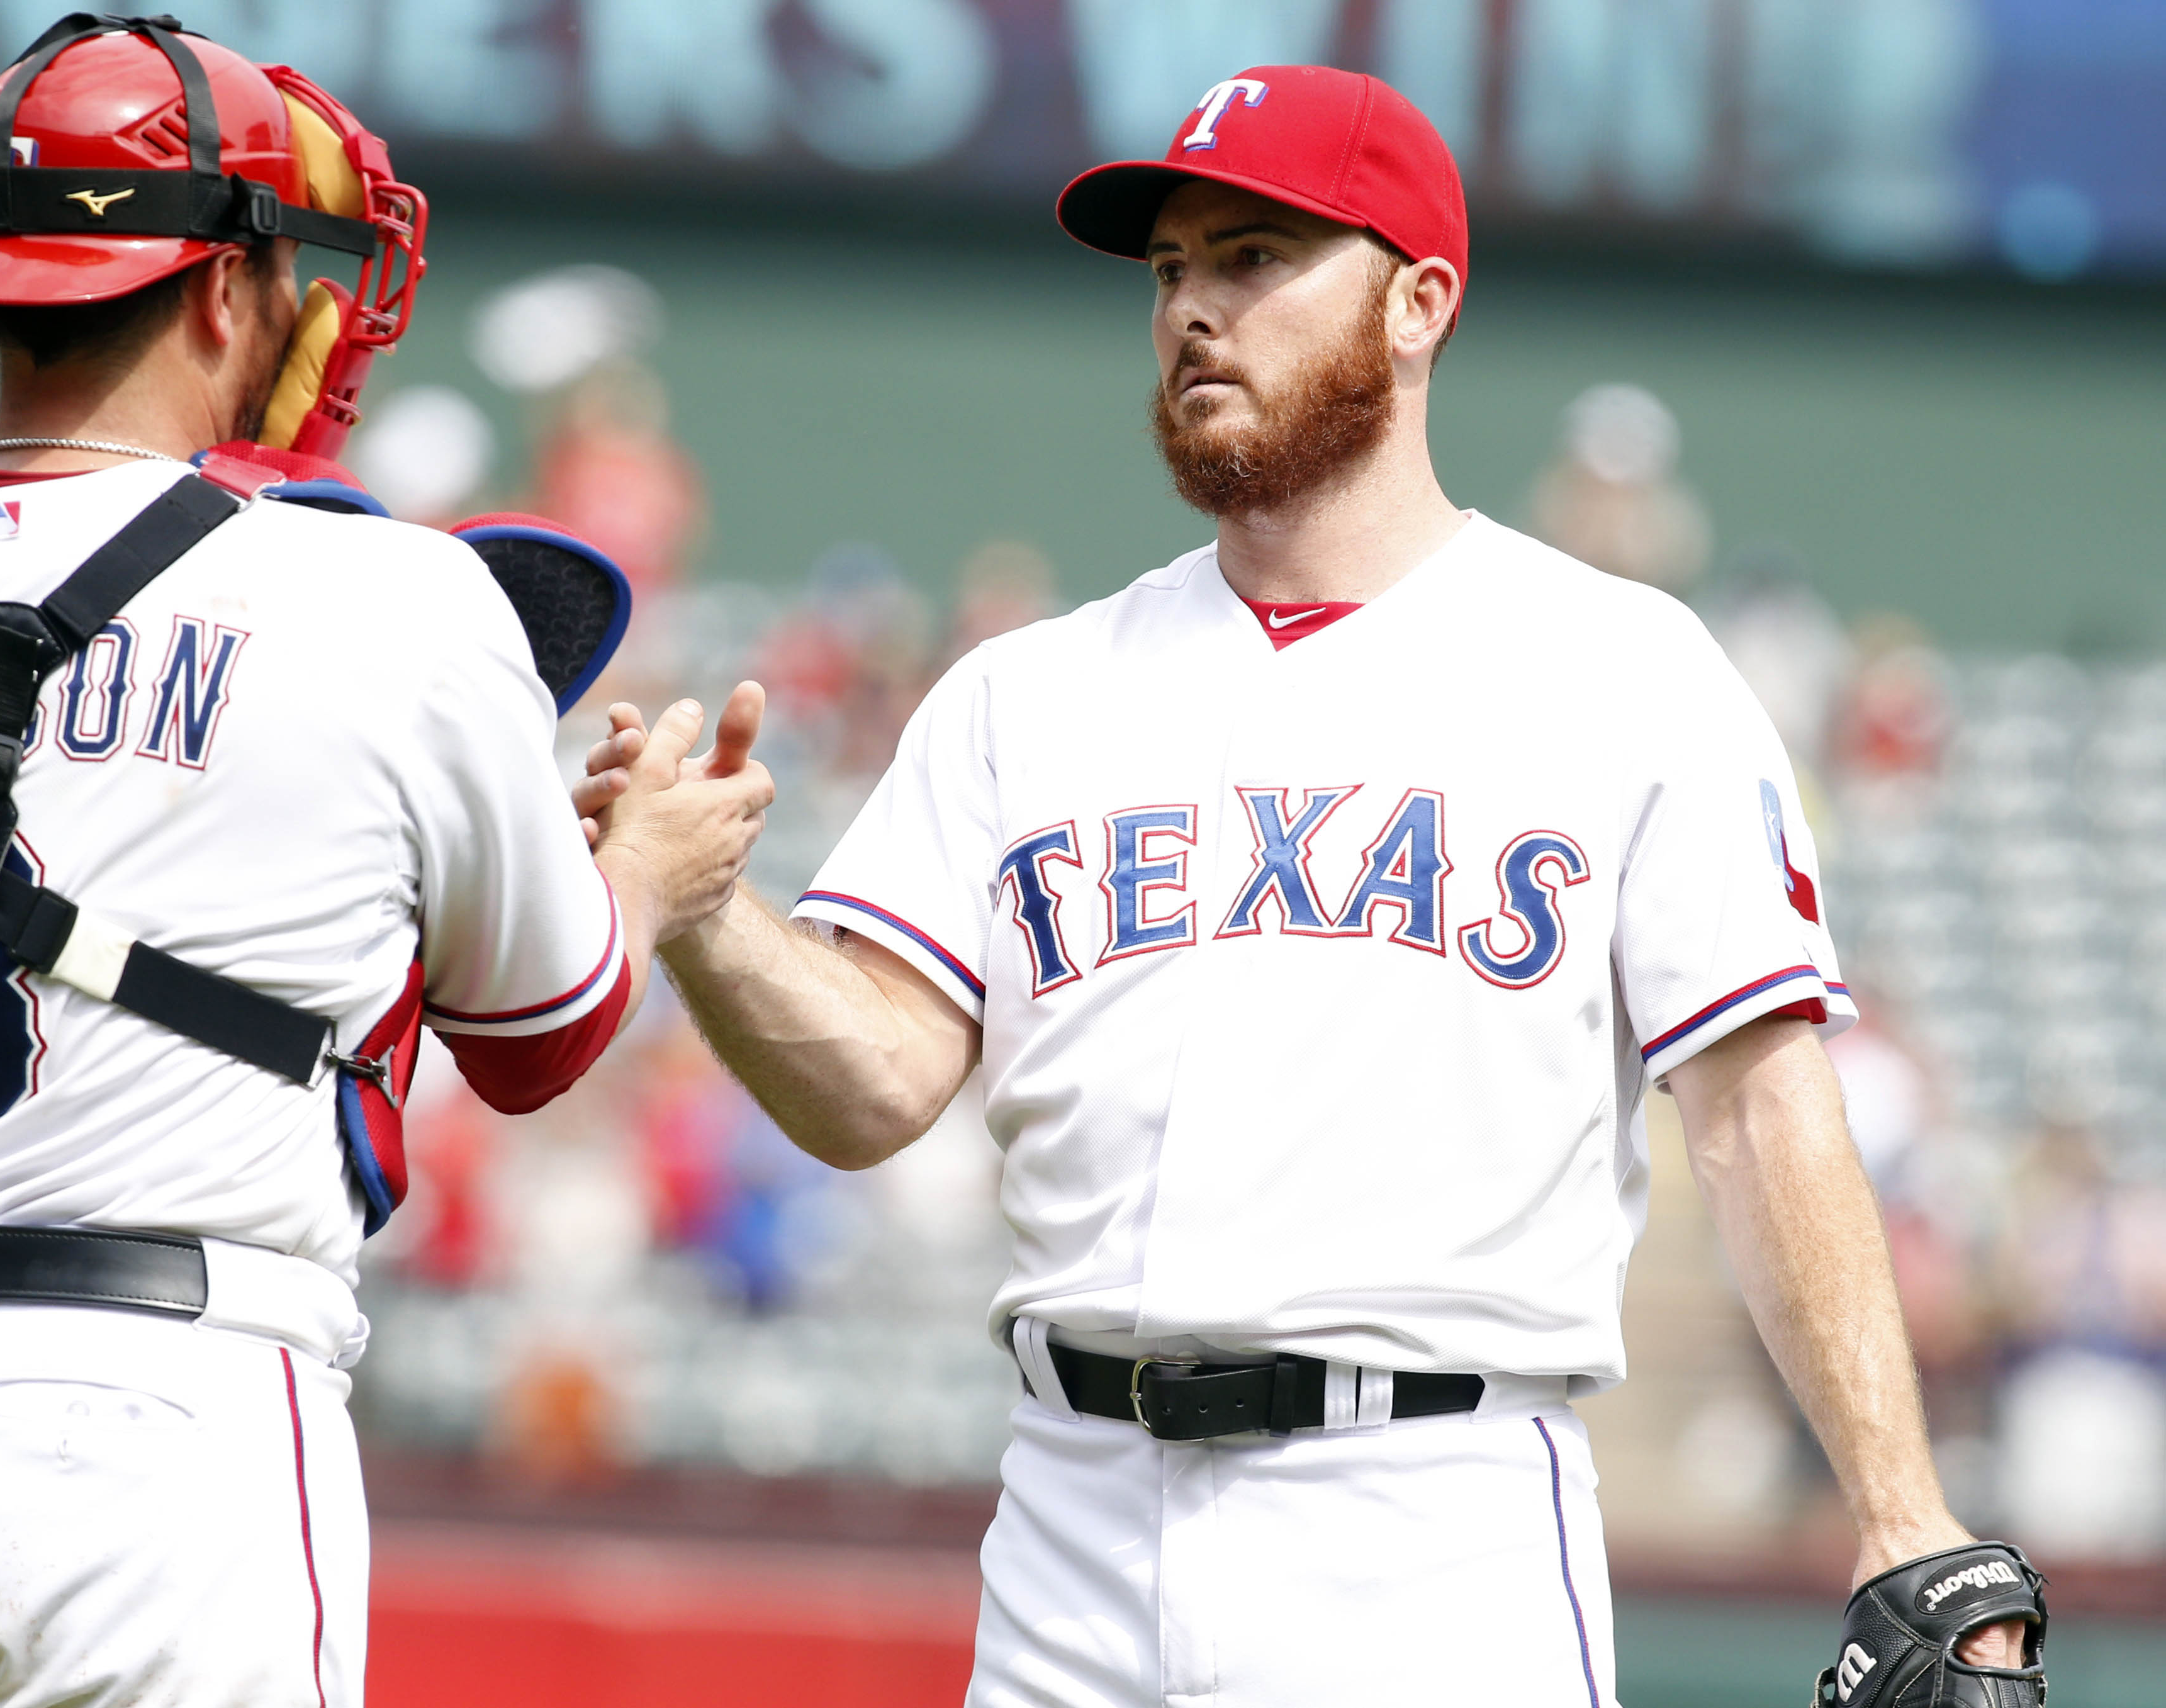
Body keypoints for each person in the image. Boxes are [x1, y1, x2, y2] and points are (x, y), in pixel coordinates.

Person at [575, 65, 2033, 1707]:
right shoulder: (1024, 691)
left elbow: (1764, 1107)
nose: (1197, 307)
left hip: (1428, 1525)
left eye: (1258, 256)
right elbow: (877, 1083)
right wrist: (706, 908)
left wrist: (1902, 1510)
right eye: (1173, 269)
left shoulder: (1622, 668)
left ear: (1420, 303)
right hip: (1072, 1519)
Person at [0, 16, 766, 1708]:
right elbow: (543, 1039)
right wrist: (650, 865)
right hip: (155, 1421)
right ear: (224, 288)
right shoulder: (389, 598)